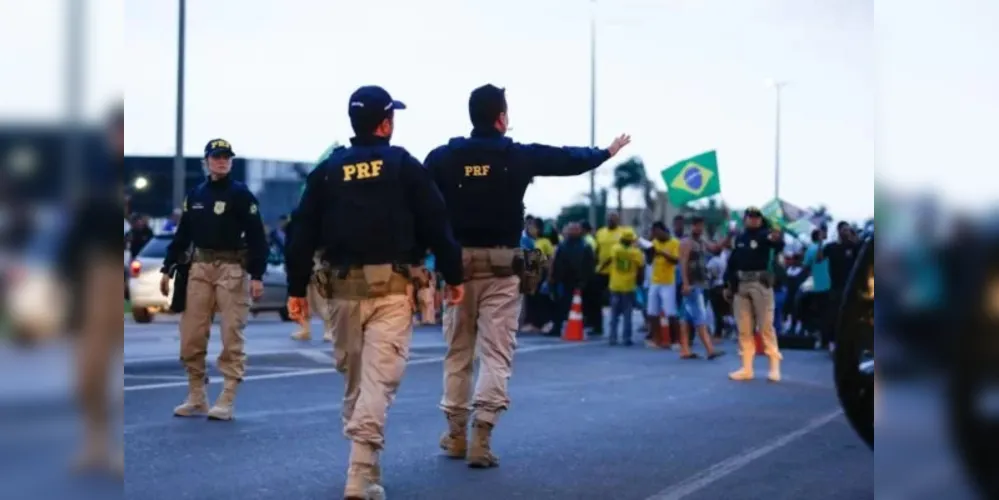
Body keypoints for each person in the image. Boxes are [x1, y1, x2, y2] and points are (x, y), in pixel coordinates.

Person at [424, 83, 630, 468]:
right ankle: (481, 438)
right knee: (496, 354)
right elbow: (565, 159)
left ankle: (455, 435)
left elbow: (420, 200)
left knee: (458, 353)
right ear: (502, 117)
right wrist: (604, 153)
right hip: (502, 269)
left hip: (457, 269)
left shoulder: (443, 157)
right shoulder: (515, 156)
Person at [284, 85, 465, 499]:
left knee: (357, 384)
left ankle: (366, 463)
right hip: (391, 292)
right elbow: (437, 221)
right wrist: (453, 275)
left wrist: (296, 288)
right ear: (386, 123)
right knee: (377, 383)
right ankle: (359, 473)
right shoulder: (402, 164)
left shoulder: (329, 170)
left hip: (341, 293)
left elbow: (302, 230)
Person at [159, 138, 269, 421]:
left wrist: (257, 274)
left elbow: (257, 236)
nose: (222, 161)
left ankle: (228, 396)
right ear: (206, 161)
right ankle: (197, 394)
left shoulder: (241, 194)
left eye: (226, 157)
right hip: (200, 268)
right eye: (217, 156)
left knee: (232, 334)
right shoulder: (196, 195)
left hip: (232, 268)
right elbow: (183, 234)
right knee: (191, 335)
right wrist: (167, 266)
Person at [724, 208, 785, 381]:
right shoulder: (740, 238)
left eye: (756, 217)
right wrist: (727, 284)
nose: (753, 220)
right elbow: (732, 262)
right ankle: (746, 368)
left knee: (766, 327)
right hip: (741, 284)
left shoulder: (765, 235)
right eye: (750, 217)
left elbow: (778, 245)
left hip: (760, 283)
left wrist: (777, 237)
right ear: (745, 219)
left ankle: (774, 367)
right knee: (744, 329)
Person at [677, 216, 725, 360]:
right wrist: (685, 283)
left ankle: (685, 349)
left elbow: (715, 248)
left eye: (701, 226)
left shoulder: (701, 241)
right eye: (697, 225)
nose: (699, 228)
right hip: (692, 284)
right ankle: (710, 349)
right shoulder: (686, 242)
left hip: (698, 283)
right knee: (700, 317)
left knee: (685, 317)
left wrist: (729, 236)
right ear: (691, 226)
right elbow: (683, 263)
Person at [589, 212, 632, 337]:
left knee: (619, 302)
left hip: (617, 272)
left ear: (618, 220)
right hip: (601, 271)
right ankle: (597, 326)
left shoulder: (623, 232)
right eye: (609, 219)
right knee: (596, 300)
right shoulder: (600, 232)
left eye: (613, 219)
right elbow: (596, 250)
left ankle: (623, 331)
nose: (611, 221)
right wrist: (594, 264)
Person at [548, 222, 595, 336]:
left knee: (578, 306)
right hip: (563, 281)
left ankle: (578, 327)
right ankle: (557, 327)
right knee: (559, 305)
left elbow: (590, 265)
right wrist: (553, 278)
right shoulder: (562, 245)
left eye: (575, 229)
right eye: (571, 229)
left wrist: (585, 281)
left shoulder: (585, 246)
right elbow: (556, 263)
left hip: (579, 282)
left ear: (580, 231)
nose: (572, 231)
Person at [600, 229, 645, 345]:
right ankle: (626, 338)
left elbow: (609, 260)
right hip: (628, 286)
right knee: (627, 314)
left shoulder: (615, 249)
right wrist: (640, 282)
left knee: (614, 314)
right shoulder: (636, 253)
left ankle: (612, 337)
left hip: (615, 285)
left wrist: (599, 269)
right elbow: (641, 268)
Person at [823, 221, 861, 352]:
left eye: (848, 230)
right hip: (836, 286)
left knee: (852, 315)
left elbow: (864, 251)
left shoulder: (854, 246)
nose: (846, 232)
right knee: (834, 314)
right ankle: (832, 341)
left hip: (851, 287)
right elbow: (819, 259)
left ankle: (852, 343)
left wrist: (854, 236)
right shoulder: (831, 247)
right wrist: (820, 242)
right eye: (844, 230)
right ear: (839, 231)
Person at [645, 221, 680, 348]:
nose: (655, 235)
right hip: (655, 281)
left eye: (656, 232)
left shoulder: (674, 242)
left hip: (668, 282)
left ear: (663, 230)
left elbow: (676, 260)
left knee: (671, 312)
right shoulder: (654, 243)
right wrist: (648, 250)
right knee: (652, 312)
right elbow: (649, 261)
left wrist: (662, 253)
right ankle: (656, 340)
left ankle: (675, 341)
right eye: (653, 233)